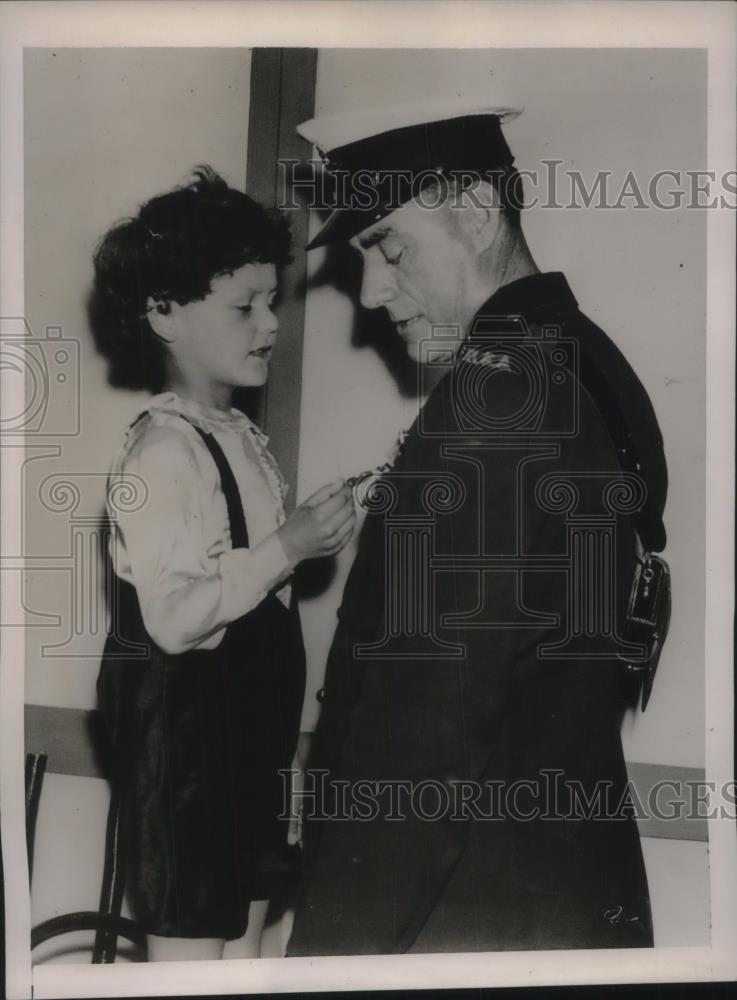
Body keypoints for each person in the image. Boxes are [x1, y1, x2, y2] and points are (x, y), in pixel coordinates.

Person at [286, 103, 668, 955]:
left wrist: (330, 955)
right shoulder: (587, 365)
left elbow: (421, 737)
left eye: (387, 246)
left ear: (475, 210)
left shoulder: (492, 399)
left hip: (458, 911)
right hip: (558, 897)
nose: (373, 292)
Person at [91, 167, 356, 961]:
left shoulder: (234, 434)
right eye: (244, 306)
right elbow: (173, 620)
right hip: (189, 762)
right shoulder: (162, 450)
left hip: (245, 746)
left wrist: (297, 541)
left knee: (242, 957)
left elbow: (244, 588)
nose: (269, 323)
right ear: (164, 314)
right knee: (191, 961)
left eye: (272, 301)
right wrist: (288, 548)